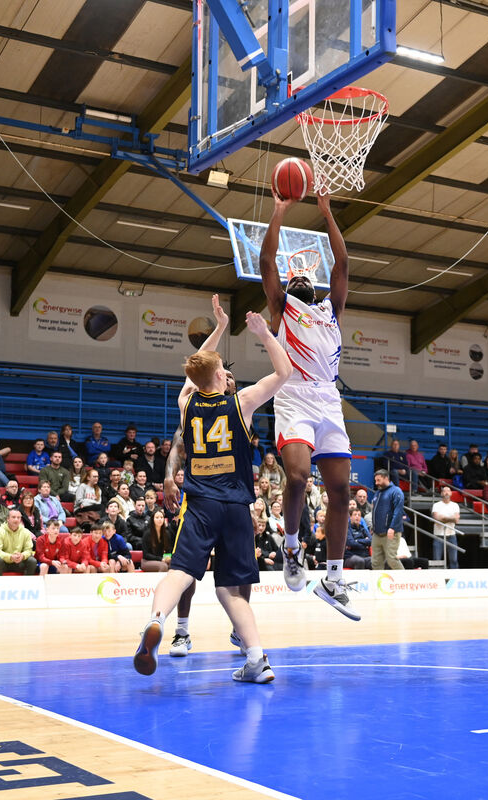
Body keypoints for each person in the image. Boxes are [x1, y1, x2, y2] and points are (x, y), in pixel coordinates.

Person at [133, 307, 290, 683]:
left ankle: (156, 622)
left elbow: (196, 371)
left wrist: (219, 328)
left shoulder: (186, 405)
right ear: (221, 375)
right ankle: (256, 660)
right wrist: (266, 335)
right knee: (230, 591)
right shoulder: (243, 402)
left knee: (180, 574)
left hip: (200, 504)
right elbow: (284, 372)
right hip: (236, 506)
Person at [257, 192, 358, 619]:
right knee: (297, 477)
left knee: (341, 491)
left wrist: (328, 213)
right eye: (291, 278)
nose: (297, 281)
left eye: (303, 280)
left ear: (312, 288)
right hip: (294, 397)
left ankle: (333, 578)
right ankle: (293, 548)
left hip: (329, 401)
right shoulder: (283, 310)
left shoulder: (330, 309)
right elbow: (266, 265)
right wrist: (278, 214)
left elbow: (343, 265)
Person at [371, 469, 405, 571]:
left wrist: (392, 527)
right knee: (375, 562)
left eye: (379, 480)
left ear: (386, 478)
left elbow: (398, 511)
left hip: (391, 532)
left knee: (392, 559)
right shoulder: (378, 493)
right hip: (377, 533)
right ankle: (377, 585)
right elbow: (375, 511)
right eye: (376, 480)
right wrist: (373, 526)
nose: (376, 483)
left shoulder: (396, 491)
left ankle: (405, 580)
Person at [0, 508, 37, 575]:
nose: (16, 519)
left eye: (18, 518)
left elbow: (29, 550)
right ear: (7, 519)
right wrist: (10, 557)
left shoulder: (26, 532)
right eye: (13, 517)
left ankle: (28, 584)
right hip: (4, 563)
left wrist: (22, 556)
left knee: (32, 561)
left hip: (19, 563)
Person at [430, 485, 461, 569]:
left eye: (448, 491)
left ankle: (454, 579)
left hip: (451, 535)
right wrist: (451, 518)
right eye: (444, 491)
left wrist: (443, 518)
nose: (446, 492)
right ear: (441, 493)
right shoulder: (436, 505)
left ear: (451, 493)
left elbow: (457, 520)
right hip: (438, 535)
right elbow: (436, 518)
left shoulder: (455, 505)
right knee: (437, 559)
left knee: (454, 560)